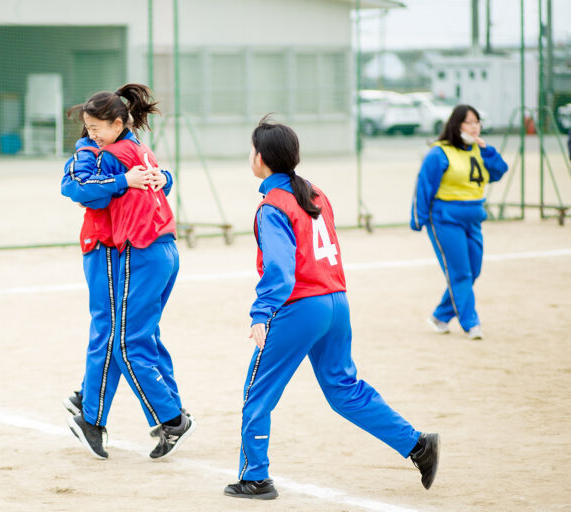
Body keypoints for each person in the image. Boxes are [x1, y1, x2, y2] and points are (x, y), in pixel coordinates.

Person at [224, 116, 439, 500]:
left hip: (301, 306)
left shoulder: (272, 205)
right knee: (343, 389)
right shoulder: (315, 192)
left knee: (257, 391)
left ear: (261, 158)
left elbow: (280, 269)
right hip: (336, 302)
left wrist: (261, 313)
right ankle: (417, 444)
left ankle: (255, 477)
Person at [60, 83, 195, 460]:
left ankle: (153, 417)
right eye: (88, 128)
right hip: (150, 248)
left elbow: (79, 188)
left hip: (124, 249)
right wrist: (142, 180)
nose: (91, 135)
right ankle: (91, 399)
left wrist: (149, 179)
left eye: (97, 128)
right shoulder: (123, 148)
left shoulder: (114, 152)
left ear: (119, 122)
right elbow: (78, 185)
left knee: (118, 336)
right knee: (131, 335)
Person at [411, 105, 508, 340]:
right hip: (446, 220)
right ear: (457, 125)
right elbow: (424, 186)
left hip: (473, 219)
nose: (476, 127)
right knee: (460, 273)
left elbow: (498, 171)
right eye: (470, 122)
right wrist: (419, 219)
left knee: (473, 270)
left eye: (477, 122)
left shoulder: (478, 149)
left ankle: (440, 316)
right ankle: (471, 323)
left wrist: (488, 151)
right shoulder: (439, 153)